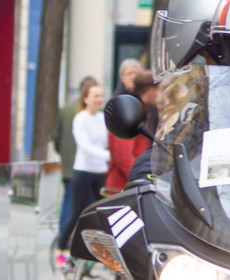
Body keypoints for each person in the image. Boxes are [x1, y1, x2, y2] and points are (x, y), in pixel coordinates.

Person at [56, 81, 108, 261]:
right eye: (95, 96)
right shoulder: (80, 118)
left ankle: (98, 251)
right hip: (83, 170)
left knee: (102, 212)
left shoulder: (102, 118)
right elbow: (84, 145)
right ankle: (61, 248)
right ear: (86, 99)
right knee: (77, 211)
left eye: (101, 95)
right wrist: (107, 155)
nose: (99, 99)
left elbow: (107, 141)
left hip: (100, 170)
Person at [51, 75, 97, 249]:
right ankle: (82, 242)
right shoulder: (90, 115)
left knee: (69, 204)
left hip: (70, 166)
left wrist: (64, 155)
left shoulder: (66, 109)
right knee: (87, 206)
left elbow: (56, 137)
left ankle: (63, 238)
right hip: (87, 167)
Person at [106, 73, 157, 193]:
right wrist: (142, 177)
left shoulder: (145, 111)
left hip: (137, 185)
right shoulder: (129, 113)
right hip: (125, 187)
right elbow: (123, 157)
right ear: (151, 91)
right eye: (158, 90)